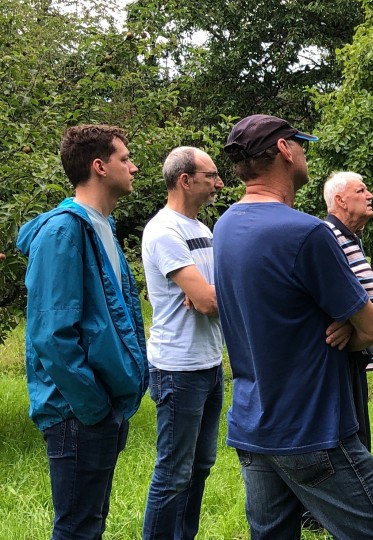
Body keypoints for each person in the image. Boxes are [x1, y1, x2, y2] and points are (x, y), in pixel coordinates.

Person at [213, 114, 373, 538]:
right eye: (300, 145)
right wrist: (351, 330)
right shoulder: (307, 232)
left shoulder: (224, 226)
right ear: (284, 150)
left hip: (253, 426)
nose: (304, 154)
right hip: (313, 429)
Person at [16, 124, 147, 538]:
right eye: (125, 159)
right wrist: (94, 408)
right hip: (77, 412)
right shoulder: (63, 231)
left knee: (90, 523)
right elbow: (52, 335)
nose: (134, 167)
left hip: (103, 406)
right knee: (76, 528)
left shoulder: (101, 227)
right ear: (99, 167)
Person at [140, 147, 225, 539]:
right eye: (211, 175)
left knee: (202, 464)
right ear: (184, 180)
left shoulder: (203, 231)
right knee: (173, 472)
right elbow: (208, 301)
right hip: (178, 368)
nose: (218, 183)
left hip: (208, 362)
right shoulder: (164, 231)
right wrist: (209, 295)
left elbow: (214, 296)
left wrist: (211, 295)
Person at [322, 171, 373, 450]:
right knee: (351, 439)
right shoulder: (328, 237)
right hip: (338, 357)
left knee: (360, 434)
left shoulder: (352, 238)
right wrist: (348, 321)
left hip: (355, 353)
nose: (369, 195)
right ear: (340, 201)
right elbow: (321, 290)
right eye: (361, 191)